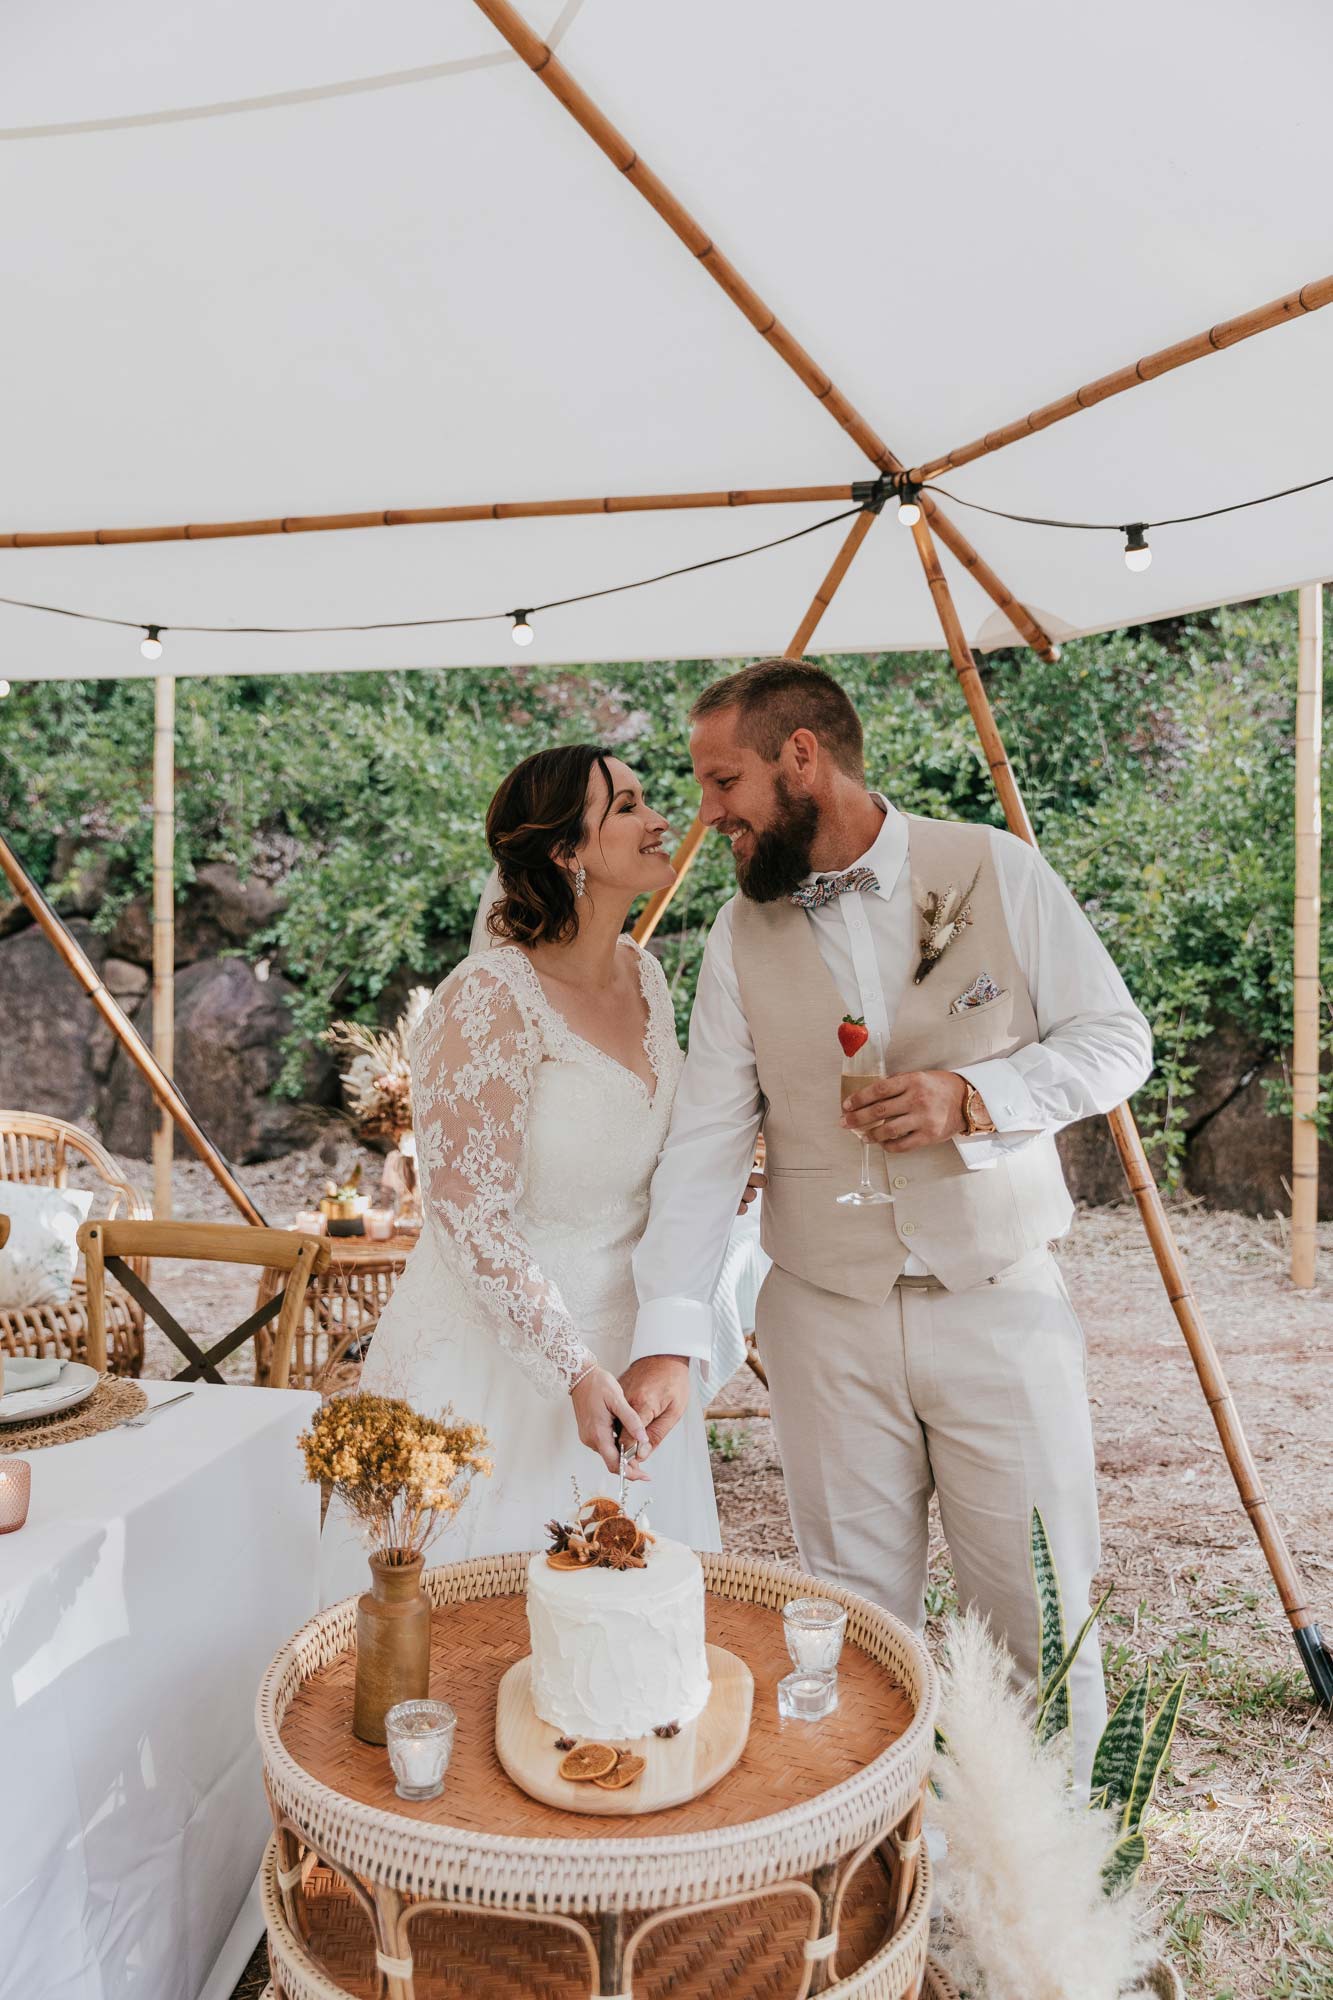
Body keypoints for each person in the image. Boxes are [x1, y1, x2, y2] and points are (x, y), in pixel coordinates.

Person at [622, 658, 1153, 1787]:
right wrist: (669, 1335)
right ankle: (885, 1879)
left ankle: (1058, 1910)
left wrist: (979, 1096)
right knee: (852, 1626)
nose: (706, 813)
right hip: (824, 1319)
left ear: (801, 757)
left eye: (724, 781)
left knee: (1036, 1611)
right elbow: (706, 1145)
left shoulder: (994, 869)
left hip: (997, 1300)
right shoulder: (734, 935)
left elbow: (1117, 1040)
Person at [320, 745, 721, 1605]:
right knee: (482, 1625)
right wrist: (572, 1372)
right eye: (626, 807)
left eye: (648, 801)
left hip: (633, 1355)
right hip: (501, 1367)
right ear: (566, 853)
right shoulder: (490, 994)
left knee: (624, 1628)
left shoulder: (645, 976)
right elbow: (466, 1213)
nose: (660, 821)